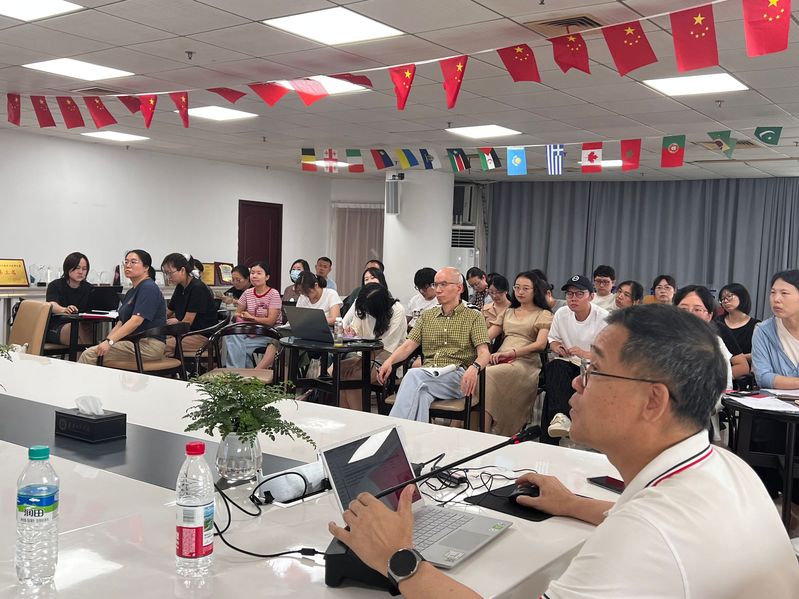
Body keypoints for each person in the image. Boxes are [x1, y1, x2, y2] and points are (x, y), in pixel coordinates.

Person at [329, 305, 799, 598]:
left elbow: (649, 533)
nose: (575, 383)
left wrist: (399, 558)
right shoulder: (724, 466)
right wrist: (573, 504)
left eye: (594, 371)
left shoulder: (645, 536)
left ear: (653, 400)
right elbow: (658, 524)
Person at [378, 267, 490, 424]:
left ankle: (390, 430)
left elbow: (484, 352)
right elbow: (408, 345)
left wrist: (475, 368)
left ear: (459, 288)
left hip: (457, 377)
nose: (438, 290)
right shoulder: (427, 315)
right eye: (435, 285)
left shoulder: (473, 315)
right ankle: (418, 438)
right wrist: (389, 361)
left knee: (413, 375)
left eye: (443, 284)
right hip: (428, 374)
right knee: (421, 395)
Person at [484, 271, 552, 435]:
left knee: (487, 374)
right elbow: (487, 336)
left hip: (525, 362)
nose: (520, 292)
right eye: (517, 287)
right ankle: (476, 428)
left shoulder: (543, 314)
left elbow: (540, 344)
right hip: (500, 358)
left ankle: (484, 432)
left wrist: (513, 353)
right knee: (477, 372)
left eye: (525, 288)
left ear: (535, 290)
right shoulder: (508, 312)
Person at [542, 275, 609, 444]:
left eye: (579, 294)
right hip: (568, 363)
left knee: (554, 390)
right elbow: (553, 339)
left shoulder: (603, 318)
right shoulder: (561, 313)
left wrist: (585, 353)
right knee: (555, 367)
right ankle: (560, 419)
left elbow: (610, 354)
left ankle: (554, 431)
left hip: (593, 368)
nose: (573, 298)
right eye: (569, 294)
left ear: (591, 296)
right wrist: (557, 347)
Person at [751, 270, 799, 500]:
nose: (776, 299)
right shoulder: (763, 331)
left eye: (784, 293)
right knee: (764, 433)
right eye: (772, 293)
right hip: (775, 411)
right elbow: (764, 377)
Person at [79, 250, 167, 365]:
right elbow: (120, 323)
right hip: (133, 342)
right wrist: (107, 341)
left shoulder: (148, 288)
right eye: (126, 262)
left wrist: (110, 342)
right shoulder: (131, 292)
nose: (128, 265)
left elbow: (136, 321)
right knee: (98, 350)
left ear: (146, 267)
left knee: (89, 355)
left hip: (148, 345)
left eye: (133, 262)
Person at [338, 284, 406, 410]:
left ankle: (358, 417)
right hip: (364, 354)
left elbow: (384, 346)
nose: (366, 312)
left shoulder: (397, 311)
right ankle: (345, 415)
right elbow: (355, 329)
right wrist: (350, 332)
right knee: (337, 371)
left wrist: (359, 364)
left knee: (354, 378)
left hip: (387, 359)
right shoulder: (363, 305)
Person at [673, 285, 746, 383]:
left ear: (709, 316)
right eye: (683, 309)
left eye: (697, 309)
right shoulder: (663, 339)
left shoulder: (717, 341)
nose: (689, 314)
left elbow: (738, 369)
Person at [225, 261, 282, 369]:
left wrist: (252, 318)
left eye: (259, 273)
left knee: (238, 347)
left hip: (269, 333)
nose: (254, 276)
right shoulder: (247, 293)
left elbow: (271, 321)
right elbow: (237, 313)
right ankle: (244, 374)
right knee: (233, 336)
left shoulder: (273, 294)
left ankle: (236, 373)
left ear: (267, 277)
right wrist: (242, 316)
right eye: (252, 273)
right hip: (251, 331)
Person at [161, 253, 218, 358]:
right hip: (186, 333)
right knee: (153, 341)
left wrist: (176, 322)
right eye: (166, 274)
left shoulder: (197, 288)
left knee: (159, 346)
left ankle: (179, 366)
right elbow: (168, 312)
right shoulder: (180, 287)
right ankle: (179, 366)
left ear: (182, 270)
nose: (168, 277)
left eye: (170, 273)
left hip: (201, 335)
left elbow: (187, 322)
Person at [45, 252, 94, 345]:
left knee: (80, 337)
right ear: (67, 268)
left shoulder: (90, 288)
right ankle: (91, 352)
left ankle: (88, 353)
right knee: (77, 328)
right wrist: (64, 309)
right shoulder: (55, 285)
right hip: (57, 326)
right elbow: (52, 304)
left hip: (81, 327)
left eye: (84, 269)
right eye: (77, 268)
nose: (81, 272)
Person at [717, 283, 759, 363]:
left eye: (729, 296)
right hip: (719, 367)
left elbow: (758, 354)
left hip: (745, 368)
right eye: (722, 299)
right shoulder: (716, 321)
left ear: (742, 297)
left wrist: (735, 359)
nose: (725, 301)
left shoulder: (756, 326)